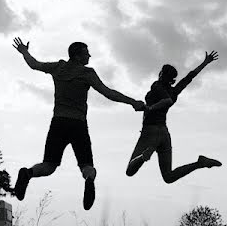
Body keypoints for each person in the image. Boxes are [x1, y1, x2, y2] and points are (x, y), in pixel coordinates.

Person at [12, 37, 144, 210]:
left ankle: (27, 173)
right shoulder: (87, 73)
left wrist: (24, 51)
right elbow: (108, 93)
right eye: (86, 52)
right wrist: (132, 102)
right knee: (87, 166)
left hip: (58, 122)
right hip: (78, 125)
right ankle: (89, 180)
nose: (89, 55)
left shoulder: (58, 68)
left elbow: (34, 64)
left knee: (49, 165)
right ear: (78, 56)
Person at [126, 51, 221, 182]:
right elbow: (189, 78)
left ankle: (143, 157)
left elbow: (167, 101)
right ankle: (200, 163)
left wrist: (150, 107)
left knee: (130, 171)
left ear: (161, 74)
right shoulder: (174, 91)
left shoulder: (157, 85)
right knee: (168, 177)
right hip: (164, 133)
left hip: (150, 132)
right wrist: (205, 63)